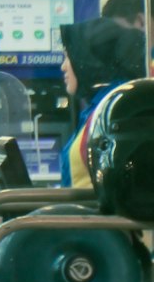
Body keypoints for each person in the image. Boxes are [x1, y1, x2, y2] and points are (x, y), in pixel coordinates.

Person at [58, 18, 146, 187]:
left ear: (87, 60)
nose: (63, 66)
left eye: (68, 57)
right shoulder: (98, 106)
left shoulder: (116, 106)